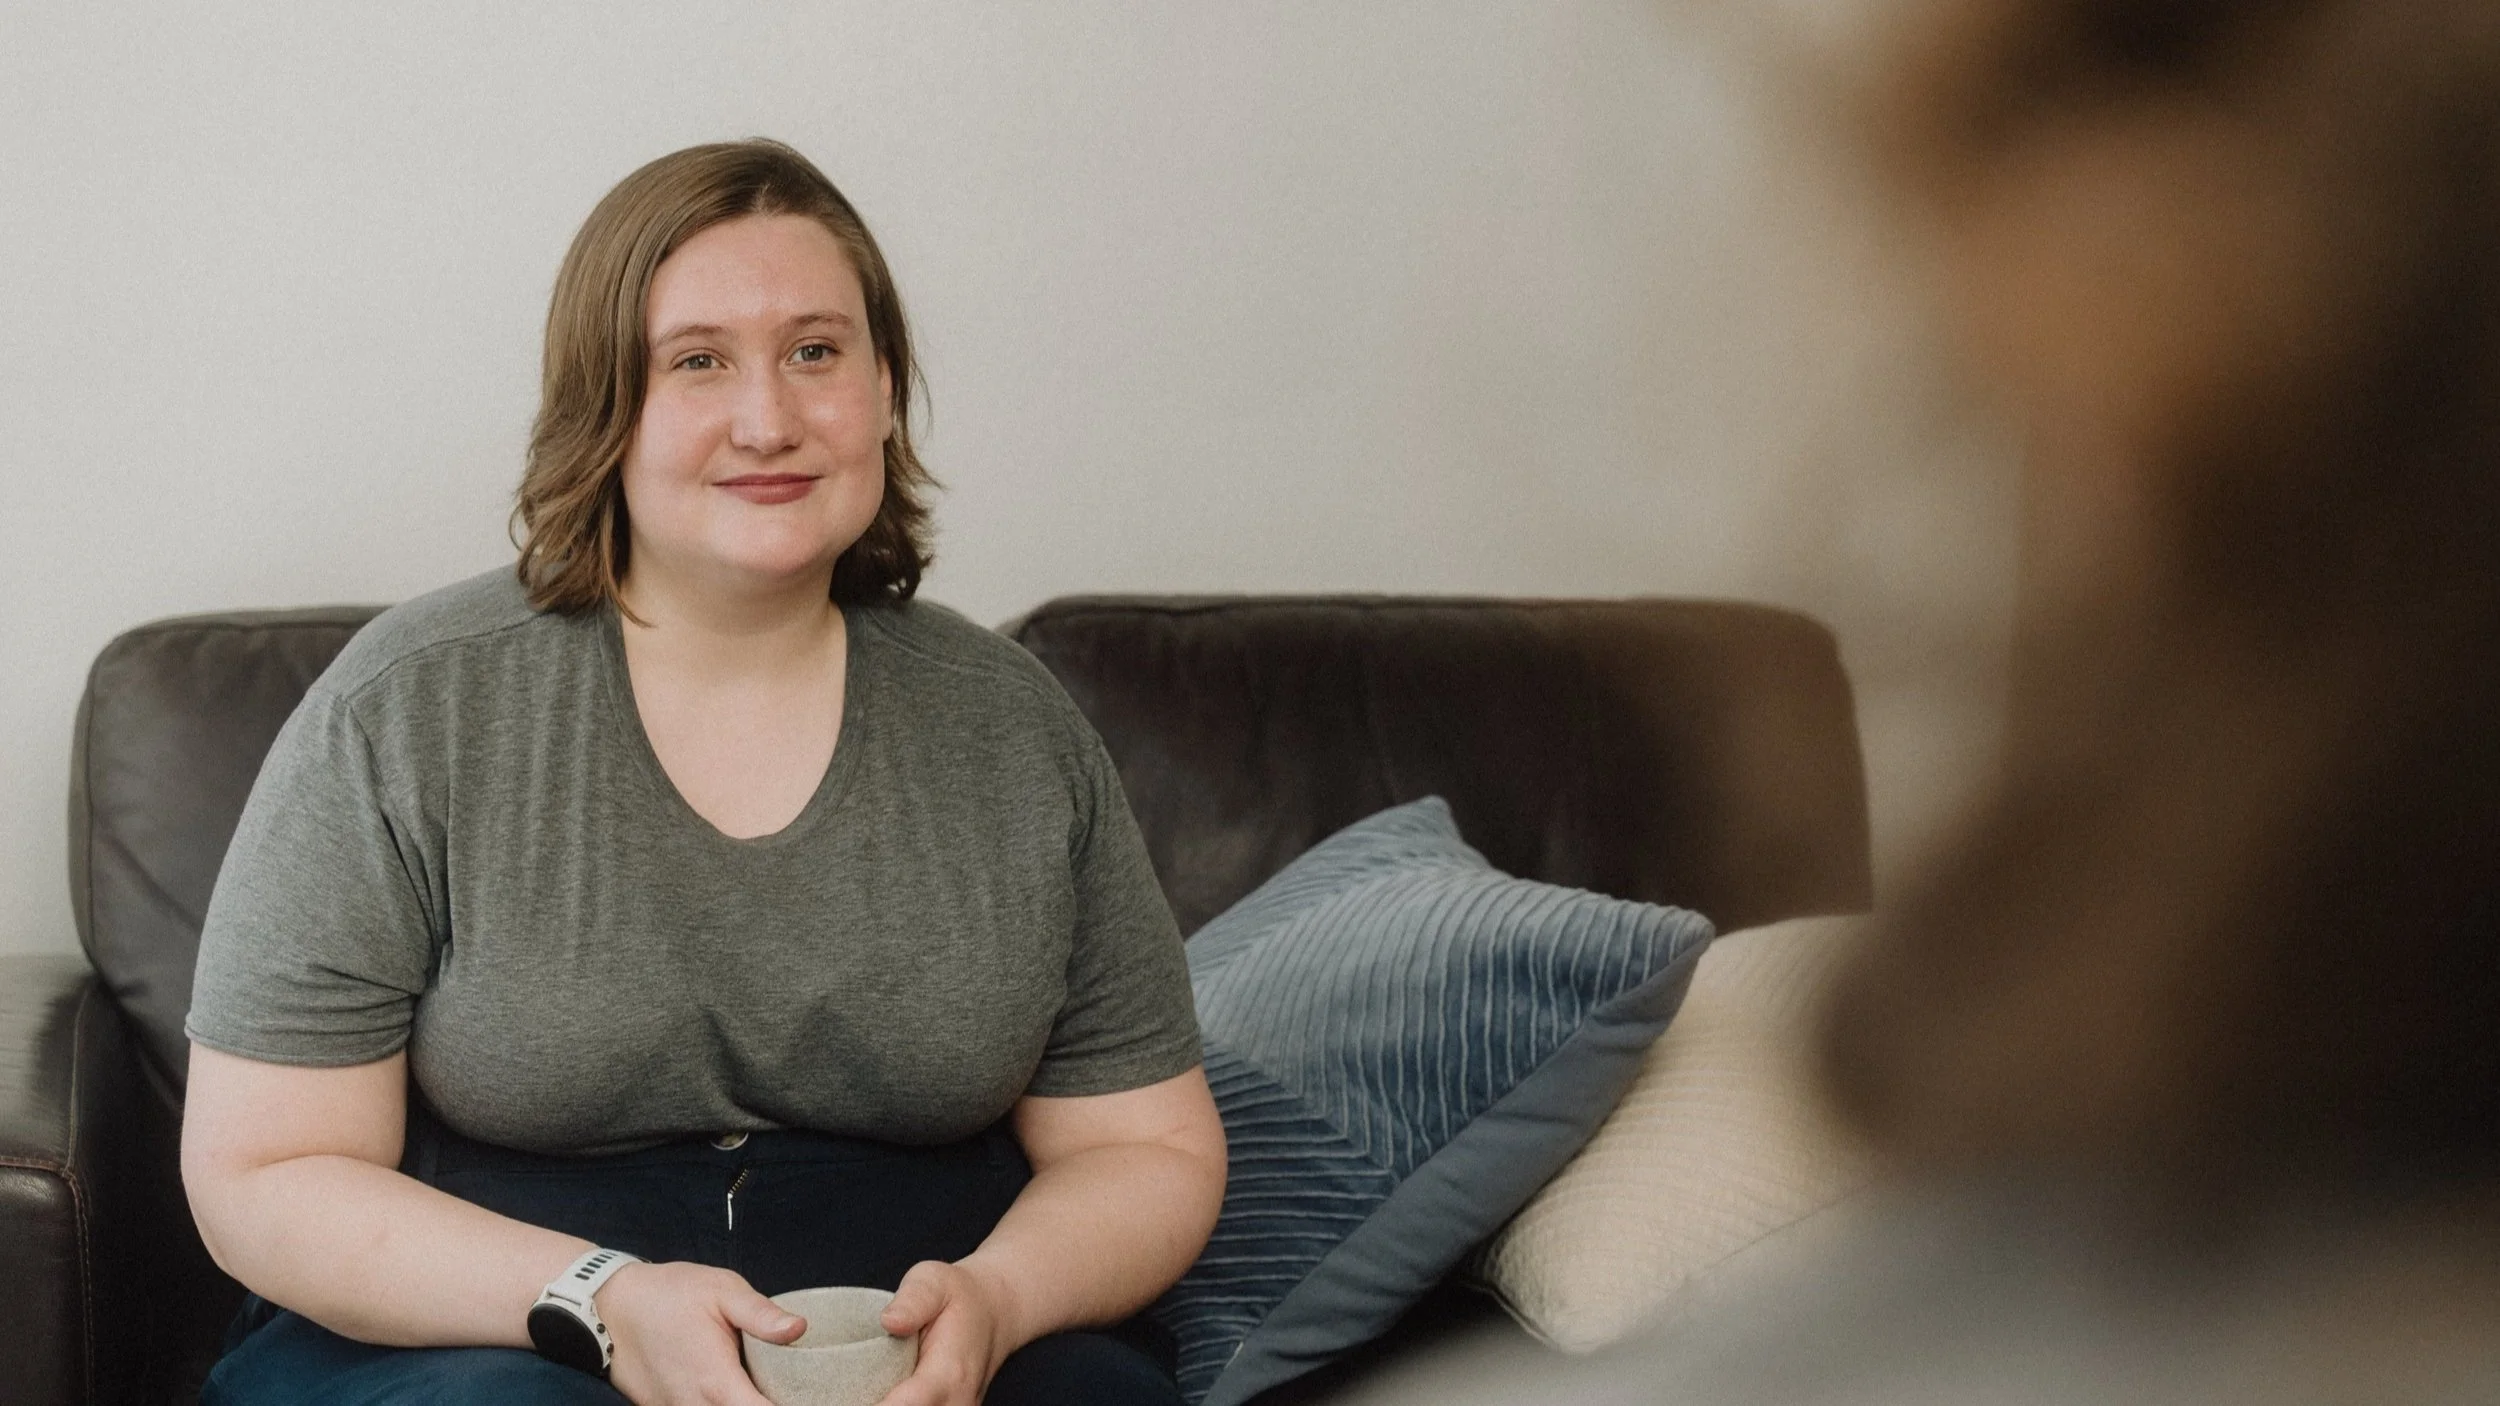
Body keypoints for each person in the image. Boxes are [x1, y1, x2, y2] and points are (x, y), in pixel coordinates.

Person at [178, 139, 1226, 1406]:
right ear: (601, 403)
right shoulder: (406, 709)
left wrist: (1001, 1299)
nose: (769, 419)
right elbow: (266, 1169)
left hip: (916, 1312)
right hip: (492, 1319)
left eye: (816, 351)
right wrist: (605, 1299)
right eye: (698, 360)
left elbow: (1146, 1145)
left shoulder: (1013, 730)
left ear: (885, 388)